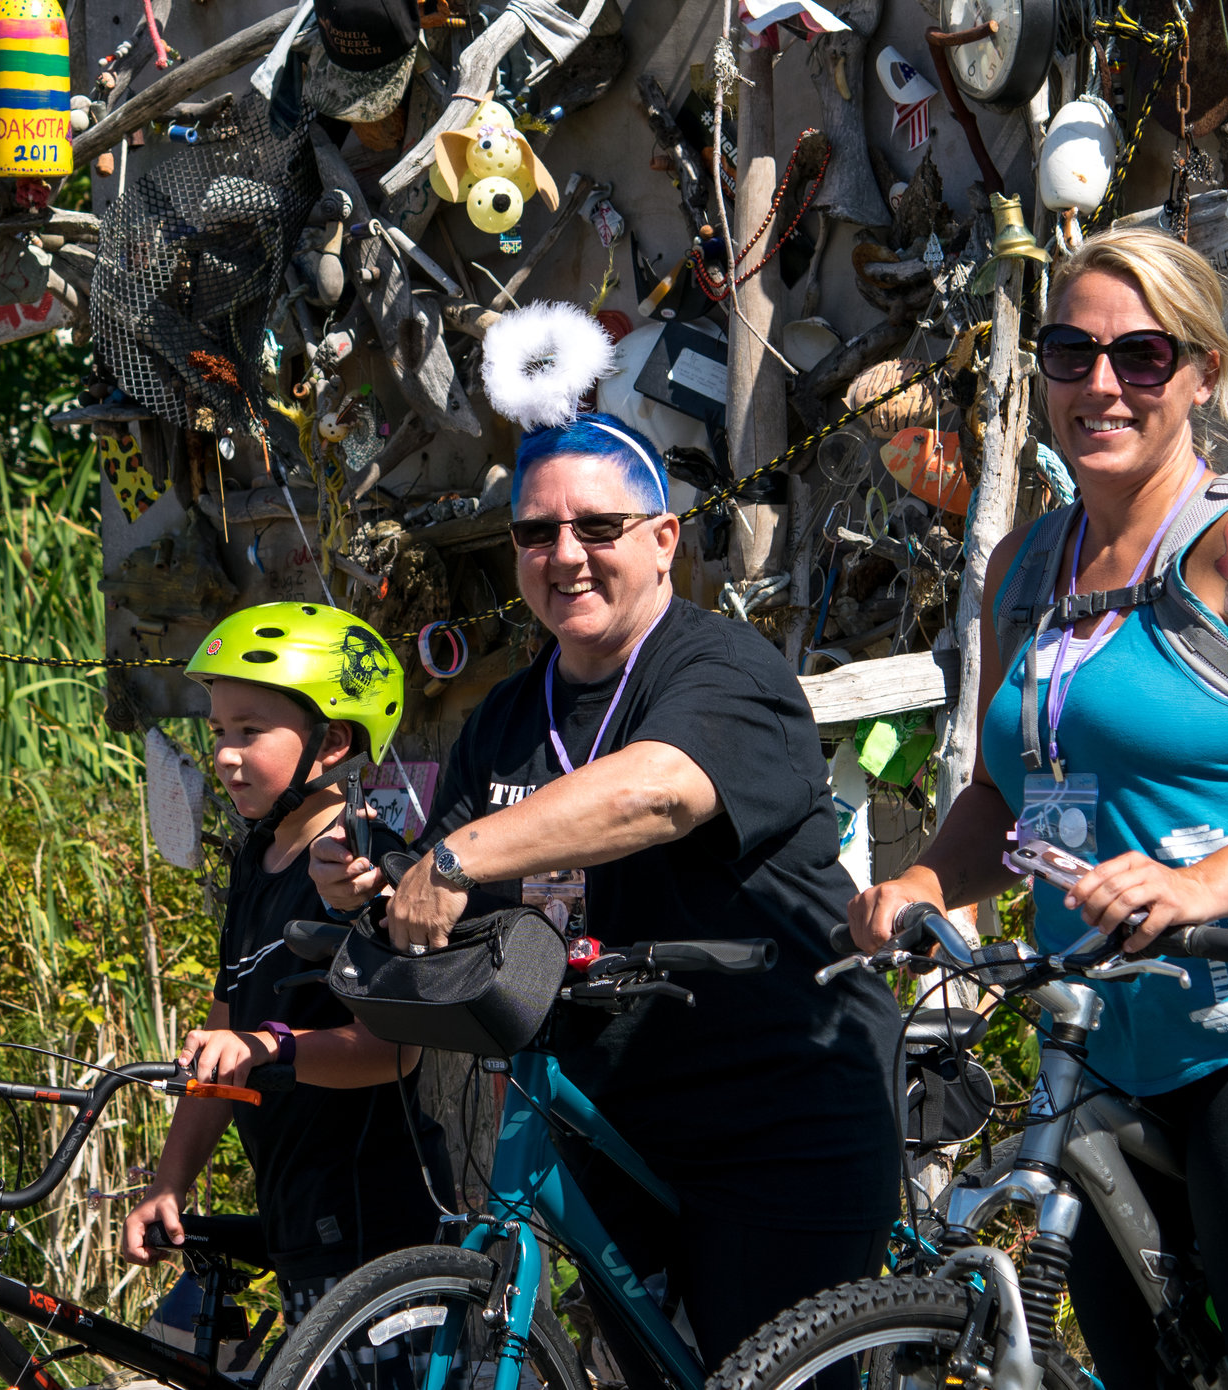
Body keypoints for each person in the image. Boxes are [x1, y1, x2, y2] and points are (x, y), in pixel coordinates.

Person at [848, 228, 1228, 1389]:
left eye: (1142, 355)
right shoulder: (1026, 567)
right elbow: (1017, 787)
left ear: (1203, 373)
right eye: (1071, 351)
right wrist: (923, 881)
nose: (1101, 383)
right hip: (1107, 1041)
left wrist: (1193, 883)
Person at [310, 412, 898, 1373]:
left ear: (664, 540)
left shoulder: (723, 669)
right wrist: (370, 886)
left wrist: (456, 859)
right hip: (609, 1118)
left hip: (778, 1112)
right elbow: (438, 887)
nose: (566, 555)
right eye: (537, 533)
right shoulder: (507, 713)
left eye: (598, 527)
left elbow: (658, 789)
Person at [119, 604, 450, 1321]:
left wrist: (270, 1047)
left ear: (330, 741)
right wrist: (170, 1181)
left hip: (376, 1225)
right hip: (297, 1214)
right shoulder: (254, 864)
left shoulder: (367, 865)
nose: (225, 754)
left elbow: (393, 1051)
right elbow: (222, 1040)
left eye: (250, 730)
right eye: (217, 732)